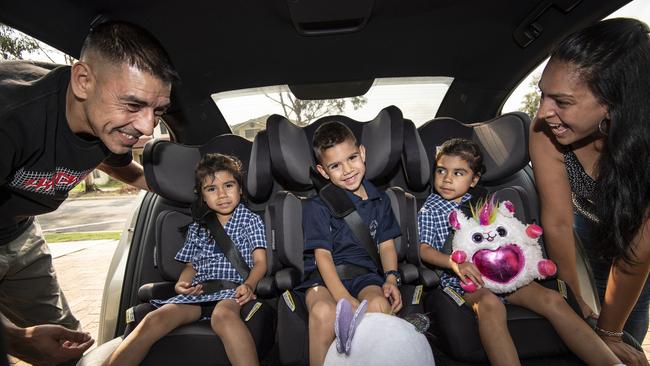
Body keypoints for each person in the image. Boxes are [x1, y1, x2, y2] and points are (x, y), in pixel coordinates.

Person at [0, 20, 178, 363]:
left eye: (157, 111)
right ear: (83, 81)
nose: (145, 126)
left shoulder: (105, 118)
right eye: (132, 105)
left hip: (20, 233)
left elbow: (113, 161)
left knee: (66, 349)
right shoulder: (10, 118)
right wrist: (17, 340)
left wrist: (164, 187)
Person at [419, 138, 622, 366]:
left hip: (506, 275)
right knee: (490, 305)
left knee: (552, 299)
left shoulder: (487, 203)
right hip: (466, 281)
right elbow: (423, 249)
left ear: (474, 179)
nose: (447, 179)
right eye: (441, 171)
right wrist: (455, 264)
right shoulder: (430, 209)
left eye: (458, 173)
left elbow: (511, 238)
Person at [530, 17, 650, 366]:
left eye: (562, 102)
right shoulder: (545, 133)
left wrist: (609, 333)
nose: (542, 113)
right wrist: (575, 306)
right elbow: (556, 223)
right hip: (581, 242)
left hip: (635, 259)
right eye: (542, 94)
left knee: (623, 341)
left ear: (613, 104)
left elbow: (635, 257)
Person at [105, 153, 268, 366]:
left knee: (223, 317)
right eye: (211, 189)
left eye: (228, 185)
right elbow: (191, 265)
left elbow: (260, 262)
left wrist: (249, 285)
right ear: (203, 196)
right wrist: (183, 283)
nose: (221, 194)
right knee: (155, 319)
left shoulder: (250, 221)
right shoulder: (198, 228)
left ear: (240, 188)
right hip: (200, 293)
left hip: (233, 290)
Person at [298, 121, 403, 366]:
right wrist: (343, 298)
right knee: (324, 312)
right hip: (322, 280)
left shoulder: (380, 200)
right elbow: (322, 257)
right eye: (335, 166)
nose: (347, 170)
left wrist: (390, 277)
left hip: (366, 275)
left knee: (378, 305)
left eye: (352, 158)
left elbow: (386, 244)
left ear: (363, 153)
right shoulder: (318, 207)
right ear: (323, 172)